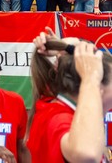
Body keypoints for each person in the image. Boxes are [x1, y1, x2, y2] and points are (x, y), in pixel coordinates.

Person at [27, 29, 112, 162]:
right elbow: (87, 154)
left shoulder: (55, 104)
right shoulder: (58, 118)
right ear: (99, 87)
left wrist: (66, 47)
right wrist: (90, 78)